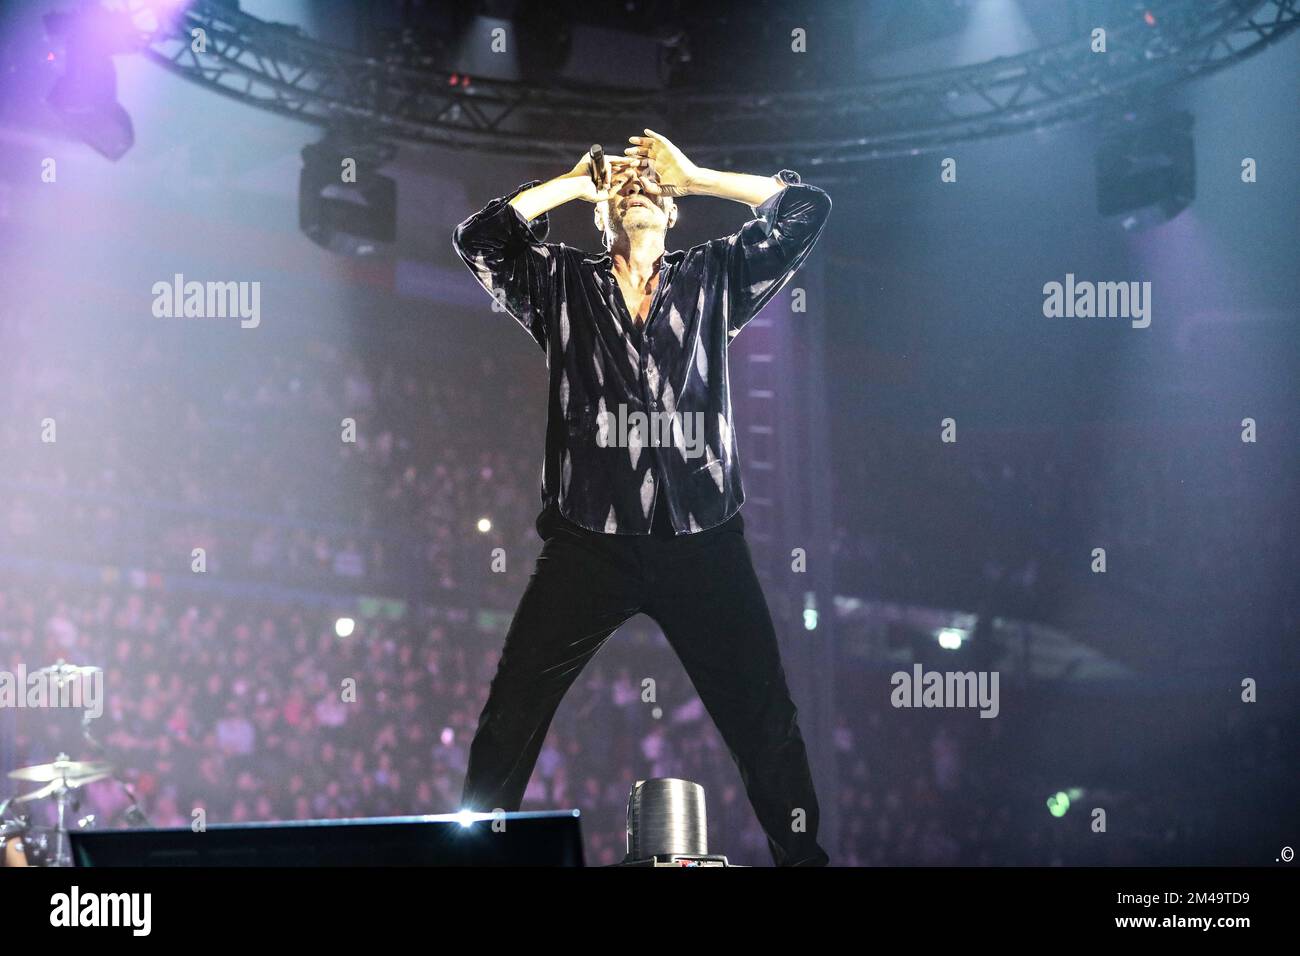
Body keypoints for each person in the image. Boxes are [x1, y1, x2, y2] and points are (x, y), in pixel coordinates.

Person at [451, 129, 832, 865]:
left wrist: (694, 174)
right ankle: (472, 855)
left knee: (762, 713)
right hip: (589, 543)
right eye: (624, 190)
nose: (640, 191)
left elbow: (807, 211)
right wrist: (571, 181)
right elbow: (481, 239)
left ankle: (801, 857)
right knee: (514, 705)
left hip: (701, 540)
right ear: (601, 218)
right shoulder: (561, 283)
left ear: (675, 210)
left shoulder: (715, 275)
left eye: (653, 189)